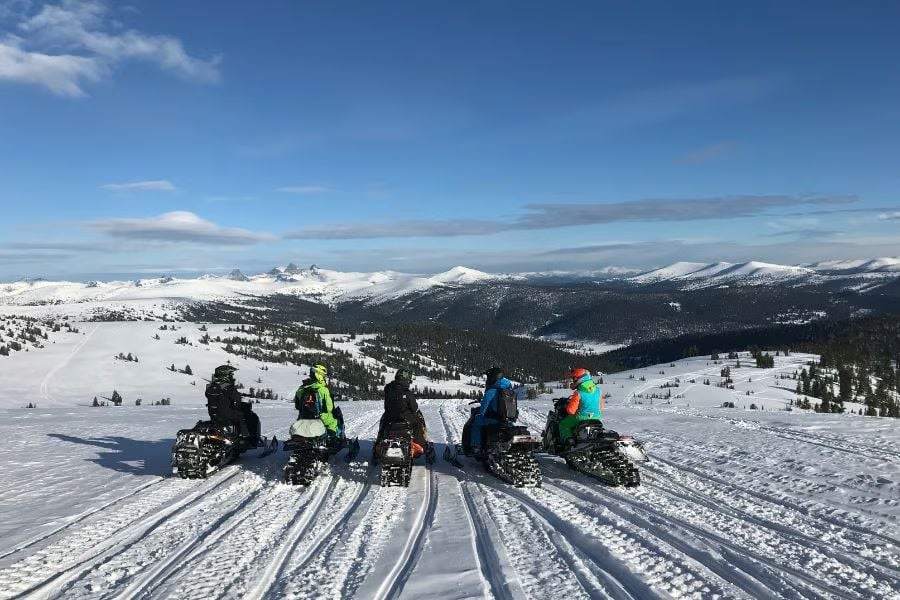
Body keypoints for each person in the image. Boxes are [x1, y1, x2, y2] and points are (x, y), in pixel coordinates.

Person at [205, 365, 261, 445]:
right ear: (225, 375)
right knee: (247, 415)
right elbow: (236, 398)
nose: (232, 376)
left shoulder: (211, 387)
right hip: (226, 413)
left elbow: (220, 396)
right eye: (230, 374)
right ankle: (246, 438)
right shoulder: (228, 387)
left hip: (214, 413)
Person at [378, 368, 427, 449]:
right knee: (418, 424)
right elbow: (414, 408)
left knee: (383, 426)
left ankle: (378, 444)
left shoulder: (388, 389)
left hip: (390, 417)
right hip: (405, 418)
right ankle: (423, 445)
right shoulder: (407, 393)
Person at [470, 367, 513, 455]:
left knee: (476, 422)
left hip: (494, 419)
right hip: (507, 419)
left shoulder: (492, 390)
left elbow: (483, 410)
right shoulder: (508, 389)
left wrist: (481, 413)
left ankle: (476, 446)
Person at [294, 364, 341, 439]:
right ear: (319, 375)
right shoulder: (322, 389)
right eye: (323, 375)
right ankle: (333, 437)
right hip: (320, 417)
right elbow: (329, 407)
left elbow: (297, 404)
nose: (324, 377)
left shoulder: (302, 388)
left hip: (303, 418)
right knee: (334, 422)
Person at [557, 368, 602, 444]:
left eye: (574, 379)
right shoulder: (598, 391)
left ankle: (569, 441)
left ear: (581, 379)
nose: (573, 381)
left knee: (563, 425)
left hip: (581, 418)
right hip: (596, 418)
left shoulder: (578, 393)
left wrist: (567, 406)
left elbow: (571, 411)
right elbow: (600, 407)